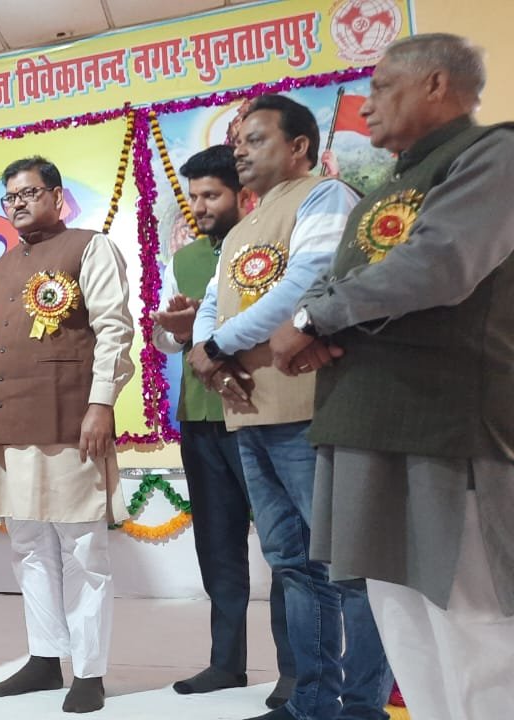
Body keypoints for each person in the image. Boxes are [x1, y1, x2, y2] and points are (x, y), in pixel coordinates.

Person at [271, 33, 514, 720]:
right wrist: (320, 322)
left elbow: (439, 265)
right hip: (365, 421)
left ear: (436, 84)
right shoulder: (386, 187)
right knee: (403, 621)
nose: (367, 103)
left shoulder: (491, 154)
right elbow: (343, 278)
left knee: (474, 628)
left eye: (381, 86)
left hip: (443, 425)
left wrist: (313, 321)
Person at [189, 95, 389, 720]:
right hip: (252, 416)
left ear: (299, 146)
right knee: (293, 566)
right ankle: (311, 701)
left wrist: (217, 347)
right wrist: (208, 350)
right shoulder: (241, 227)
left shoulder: (324, 197)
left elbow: (305, 284)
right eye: (238, 143)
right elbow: (212, 305)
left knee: (347, 568)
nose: (241, 152)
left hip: (313, 410)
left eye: (255, 139)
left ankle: (361, 707)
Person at [0, 157, 134, 713]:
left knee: (83, 549)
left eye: (29, 193)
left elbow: (114, 329)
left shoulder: (91, 247)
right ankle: (44, 658)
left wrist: (101, 403)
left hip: (71, 421)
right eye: (9, 197)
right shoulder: (1, 267)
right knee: (28, 547)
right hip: (10, 422)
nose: (18, 203)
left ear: (57, 196)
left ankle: (89, 671)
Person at [152, 145, 295, 708]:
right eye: (194, 197)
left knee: (285, 547)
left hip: (261, 412)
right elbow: (167, 341)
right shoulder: (185, 259)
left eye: (211, 195)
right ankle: (225, 663)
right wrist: (174, 328)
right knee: (218, 546)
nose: (200, 207)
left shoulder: (270, 246)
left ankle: (295, 671)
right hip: (202, 418)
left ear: (243, 193)